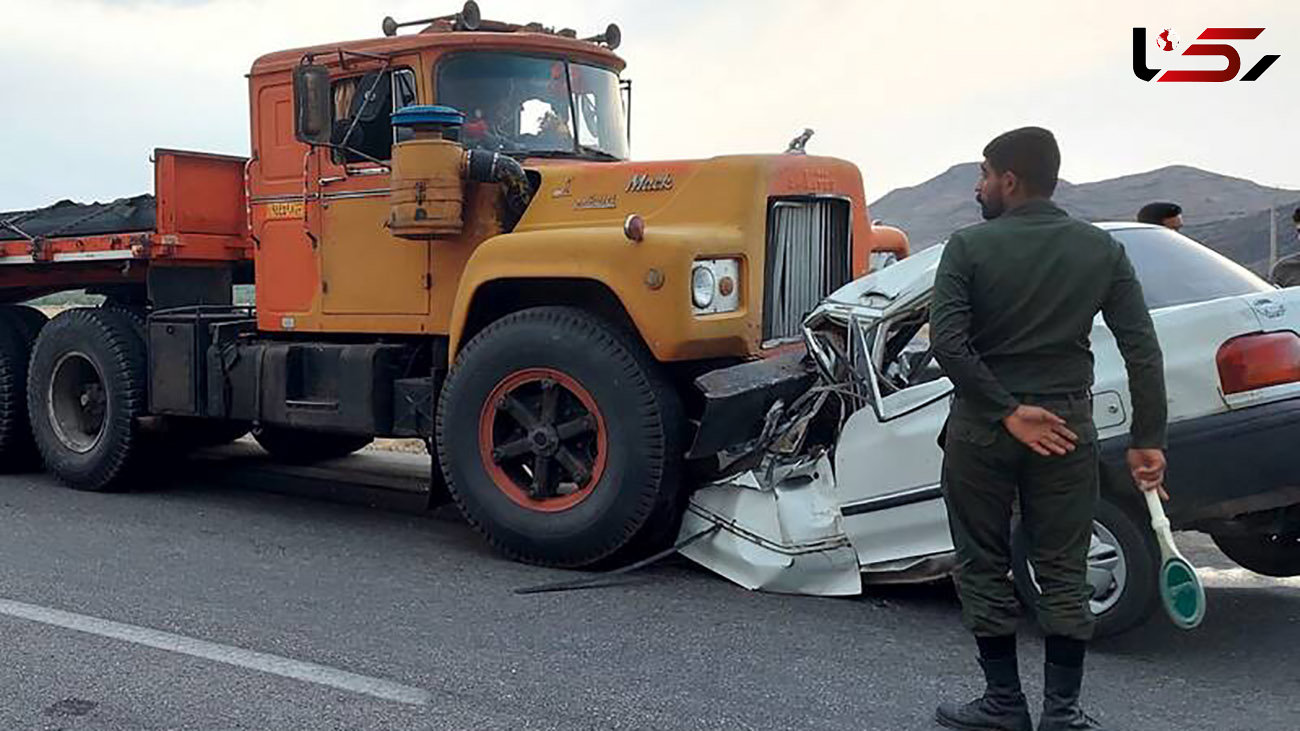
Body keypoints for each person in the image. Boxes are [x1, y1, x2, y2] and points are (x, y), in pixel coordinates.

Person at [931, 127, 1168, 731]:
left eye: (983, 175)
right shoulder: (1101, 250)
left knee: (982, 563)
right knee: (1063, 568)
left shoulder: (967, 247)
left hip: (983, 431)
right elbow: (1143, 351)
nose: (978, 187)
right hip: (1066, 428)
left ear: (1009, 180)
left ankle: (1003, 703)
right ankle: (1063, 712)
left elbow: (948, 346)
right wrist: (1148, 440)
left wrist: (1007, 410)